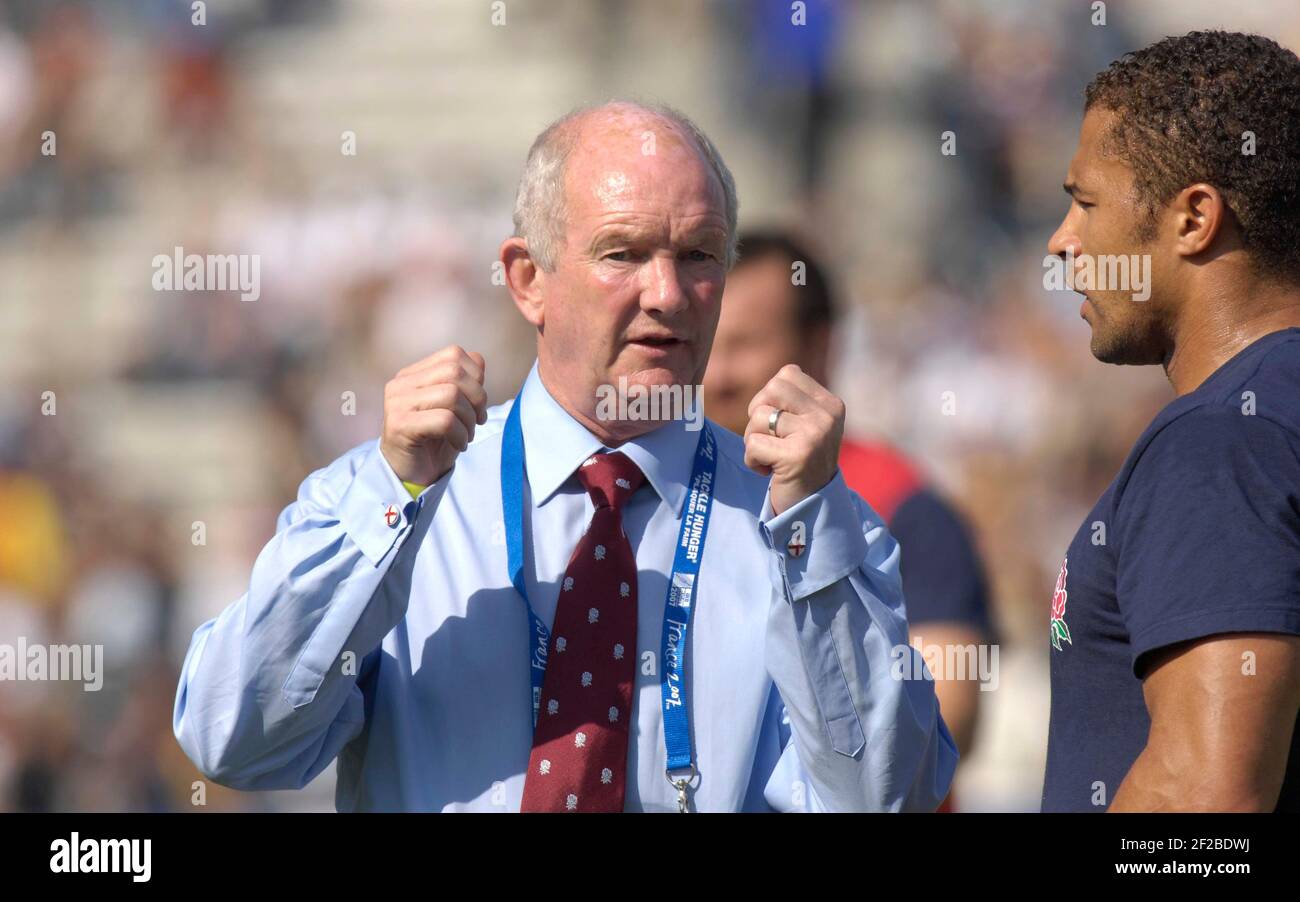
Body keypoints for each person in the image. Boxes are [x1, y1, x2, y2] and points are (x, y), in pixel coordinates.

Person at [172, 100, 956, 812]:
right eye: (623, 253)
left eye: (698, 256)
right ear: (527, 281)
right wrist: (392, 491)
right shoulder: (400, 498)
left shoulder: (805, 522)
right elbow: (233, 739)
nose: (667, 294)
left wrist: (813, 533)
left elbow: (884, 800)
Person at [1042, 31, 1300, 811]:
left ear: (1193, 218)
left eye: (1086, 203)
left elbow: (1205, 806)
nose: (1062, 243)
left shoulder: (1220, 442)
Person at [702, 231, 994, 794]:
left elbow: (950, 712)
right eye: (710, 345)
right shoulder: (679, 494)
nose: (717, 376)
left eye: (744, 345)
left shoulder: (902, 502)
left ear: (819, 347)